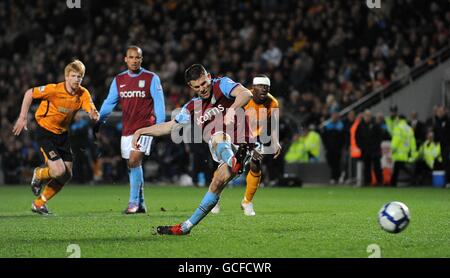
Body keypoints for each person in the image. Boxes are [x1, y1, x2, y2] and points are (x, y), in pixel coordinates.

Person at [132, 64, 253, 235]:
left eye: (204, 83)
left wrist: (232, 110)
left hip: (243, 143)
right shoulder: (191, 107)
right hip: (226, 151)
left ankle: (233, 160)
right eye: (197, 86)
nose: (202, 89)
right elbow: (170, 127)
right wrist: (141, 131)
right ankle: (185, 227)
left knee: (217, 135)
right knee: (217, 183)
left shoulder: (222, 84)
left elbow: (246, 93)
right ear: (191, 87)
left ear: (209, 77)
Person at [12, 60, 99, 215]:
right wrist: (22, 117)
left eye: (80, 76)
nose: (77, 79)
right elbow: (29, 93)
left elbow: (90, 107)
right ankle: (39, 174)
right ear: (66, 76)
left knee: (67, 174)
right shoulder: (53, 90)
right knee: (58, 171)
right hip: (45, 132)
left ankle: (39, 203)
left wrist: (93, 113)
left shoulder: (82, 93)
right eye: (73, 76)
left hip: (62, 135)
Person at [95, 46, 166, 214]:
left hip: (145, 128)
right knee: (132, 164)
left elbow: (159, 104)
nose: (135, 60)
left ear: (141, 59)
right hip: (127, 131)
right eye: (131, 57)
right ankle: (141, 203)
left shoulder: (151, 78)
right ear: (125, 59)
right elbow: (109, 102)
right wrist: (99, 120)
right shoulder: (119, 80)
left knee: (134, 160)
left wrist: (159, 126)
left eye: (138, 57)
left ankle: (133, 203)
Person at [211, 74, 281, 216]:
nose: (264, 90)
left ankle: (247, 202)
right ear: (253, 88)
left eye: (267, 87)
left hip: (252, 138)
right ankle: (214, 199)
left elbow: (273, 125)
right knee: (226, 169)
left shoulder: (272, 103)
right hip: (234, 136)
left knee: (256, 163)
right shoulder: (244, 97)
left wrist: (276, 141)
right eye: (261, 87)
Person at [355, 109, 383, 186]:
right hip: (365, 150)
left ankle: (379, 181)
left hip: (375, 150)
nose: (367, 117)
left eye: (369, 115)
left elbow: (379, 136)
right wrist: (361, 147)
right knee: (367, 167)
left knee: (377, 166)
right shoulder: (360, 125)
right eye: (366, 115)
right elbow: (357, 138)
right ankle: (368, 182)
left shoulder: (375, 125)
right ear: (364, 116)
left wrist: (376, 146)